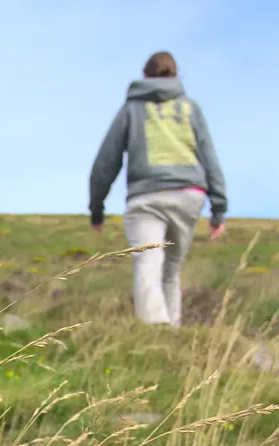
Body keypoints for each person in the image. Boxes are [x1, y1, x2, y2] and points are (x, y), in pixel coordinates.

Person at [88, 51, 227, 326]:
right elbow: (209, 156)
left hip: (146, 198)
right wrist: (218, 209)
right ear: (175, 75)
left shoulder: (131, 109)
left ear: (145, 76)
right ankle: (172, 333)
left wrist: (97, 208)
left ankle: (156, 330)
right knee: (170, 271)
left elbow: (107, 161)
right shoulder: (190, 107)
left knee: (148, 263)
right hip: (189, 196)